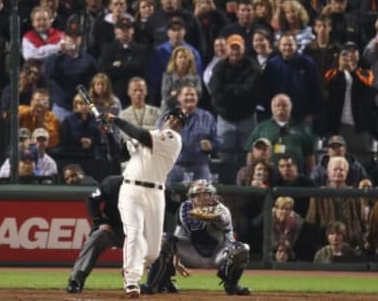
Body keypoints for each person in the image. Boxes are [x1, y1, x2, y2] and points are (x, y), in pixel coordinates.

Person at [103, 106, 185, 297]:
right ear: (164, 118)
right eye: (172, 117)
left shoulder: (173, 139)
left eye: (179, 122)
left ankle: (132, 267)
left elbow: (141, 135)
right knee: (134, 232)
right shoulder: (149, 135)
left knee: (153, 252)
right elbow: (118, 154)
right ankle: (131, 281)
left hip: (155, 193)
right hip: (131, 189)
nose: (174, 121)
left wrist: (116, 121)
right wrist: (107, 133)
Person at [141, 179, 251, 296]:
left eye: (206, 194)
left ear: (212, 195)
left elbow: (224, 222)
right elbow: (178, 236)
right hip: (192, 251)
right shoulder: (185, 208)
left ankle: (232, 285)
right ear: (191, 197)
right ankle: (157, 284)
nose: (202, 198)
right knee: (163, 240)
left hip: (218, 252)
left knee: (242, 249)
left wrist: (213, 217)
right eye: (198, 195)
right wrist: (176, 263)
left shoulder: (222, 210)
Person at [208, 34, 263, 184]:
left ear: (243, 49)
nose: (234, 52)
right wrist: (238, 91)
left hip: (247, 118)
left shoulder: (252, 66)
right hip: (225, 119)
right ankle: (226, 189)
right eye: (232, 48)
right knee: (225, 156)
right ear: (227, 49)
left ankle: (246, 188)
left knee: (247, 155)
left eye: (237, 48)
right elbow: (216, 93)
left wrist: (228, 90)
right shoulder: (219, 67)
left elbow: (250, 91)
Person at [67, 175, 124, 293]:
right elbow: (91, 200)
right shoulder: (113, 183)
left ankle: (159, 282)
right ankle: (76, 280)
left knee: (162, 242)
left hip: (141, 233)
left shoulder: (150, 186)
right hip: (115, 230)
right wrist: (100, 221)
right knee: (98, 235)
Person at [323, 41, 375, 166]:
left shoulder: (366, 72)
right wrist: (341, 70)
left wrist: (352, 70)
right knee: (337, 160)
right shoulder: (332, 73)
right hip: (338, 124)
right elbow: (329, 88)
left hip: (359, 125)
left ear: (358, 55)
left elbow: (366, 85)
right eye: (346, 53)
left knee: (362, 159)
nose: (350, 55)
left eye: (353, 51)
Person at [244, 94, 316, 175]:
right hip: (268, 176)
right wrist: (250, 172)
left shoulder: (302, 129)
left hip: (295, 177)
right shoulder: (261, 128)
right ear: (272, 108)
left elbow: (310, 157)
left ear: (290, 107)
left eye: (284, 105)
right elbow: (250, 152)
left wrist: (310, 177)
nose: (281, 108)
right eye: (277, 105)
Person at [44, 18, 98, 122]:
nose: (73, 39)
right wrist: (60, 53)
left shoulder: (88, 59)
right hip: (62, 107)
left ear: (80, 39)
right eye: (70, 37)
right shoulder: (54, 58)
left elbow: (95, 80)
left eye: (76, 37)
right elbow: (48, 74)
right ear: (64, 38)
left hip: (83, 107)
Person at [166, 85, 219, 186]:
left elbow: (218, 142)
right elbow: (158, 139)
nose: (189, 97)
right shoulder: (169, 116)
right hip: (174, 167)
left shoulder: (207, 117)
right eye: (186, 94)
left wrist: (211, 146)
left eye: (192, 95)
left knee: (204, 198)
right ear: (179, 97)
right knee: (168, 198)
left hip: (200, 168)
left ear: (197, 98)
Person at [306, 156, 364, 249]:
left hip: (350, 244)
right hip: (325, 244)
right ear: (328, 172)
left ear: (347, 173)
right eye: (335, 169)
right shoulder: (318, 195)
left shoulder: (355, 195)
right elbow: (311, 221)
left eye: (341, 169)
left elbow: (361, 221)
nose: (338, 172)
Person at [100, 17, 147, 108]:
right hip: (115, 91)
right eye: (122, 29)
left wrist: (119, 65)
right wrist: (129, 65)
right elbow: (105, 69)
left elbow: (140, 69)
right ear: (116, 31)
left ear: (132, 31)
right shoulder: (108, 49)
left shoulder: (141, 49)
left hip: (135, 92)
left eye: (128, 29)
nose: (125, 32)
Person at [161, 46, 202, 112]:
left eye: (185, 57)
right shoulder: (167, 76)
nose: (183, 60)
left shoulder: (195, 77)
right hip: (170, 110)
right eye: (180, 57)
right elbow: (166, 98)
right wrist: (187, 94)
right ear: (175, 60)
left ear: (189, 60)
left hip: (190, 110)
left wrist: (176, 93)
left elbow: (197, 96)